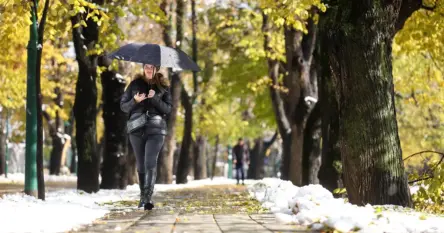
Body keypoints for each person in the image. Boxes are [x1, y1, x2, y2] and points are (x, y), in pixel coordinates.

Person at [120, 63, 172, 210]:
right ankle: (143, 196)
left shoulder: (163, 86)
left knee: (150, 162)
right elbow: (123, 106)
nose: (149, 69)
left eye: (152, 67)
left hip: (156, 129)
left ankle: (146, 198)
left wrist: (155, 98)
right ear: (143, 68)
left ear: (156, 69)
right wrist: (134, 101)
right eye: (146, 67)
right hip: (136, 128)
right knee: (141, 164)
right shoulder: (134, 84)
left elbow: (168, 109)